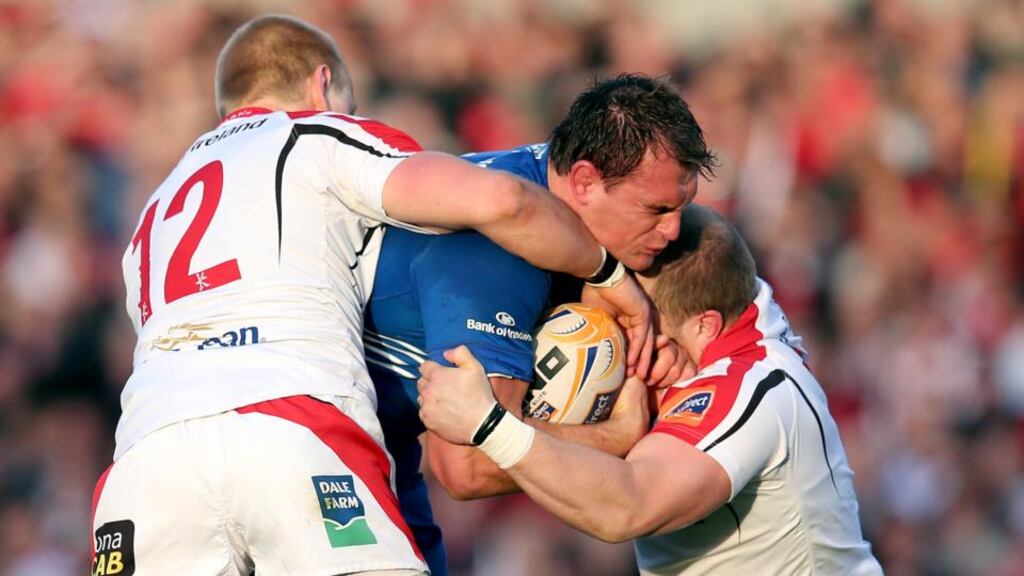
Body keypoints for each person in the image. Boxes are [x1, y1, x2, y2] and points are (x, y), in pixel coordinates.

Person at [90, 14, 651, 576]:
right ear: (323, 84)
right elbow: (502, 202)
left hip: (145, 461)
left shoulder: (150, 215)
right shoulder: (316, 132)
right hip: (294, 423)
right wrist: (609, 277)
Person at [364, 75, 714, 574]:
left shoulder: (553, 178)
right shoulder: (494, 256)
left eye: (681, 207)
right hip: (331, 460)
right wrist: (621, 434)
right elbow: (467, 465)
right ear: (586, 181)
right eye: (656, 209)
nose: (673, 229)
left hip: (384, 461)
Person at [418, 204, 884, 575]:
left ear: (706, 327)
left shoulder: (755, 386)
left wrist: (491, 425)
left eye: (643, 327)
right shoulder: (718, 332)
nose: (627, 346)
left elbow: (627, 506)